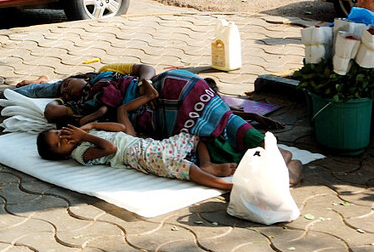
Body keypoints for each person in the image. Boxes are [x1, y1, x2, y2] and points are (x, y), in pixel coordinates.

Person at [37, 79, 235, 191]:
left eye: (58, 133)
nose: (63, 137)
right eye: (59, 143)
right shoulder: (80, 153)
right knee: (183, 168)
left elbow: (121, 129)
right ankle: (224, 186)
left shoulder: (85, 132)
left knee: (196, 133)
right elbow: (111, 148)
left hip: (136, 141)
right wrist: (85, 137)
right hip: (140, 156)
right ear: (63, 155)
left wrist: (93, 125)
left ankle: (206, 163)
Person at [0, 63, 156, 112]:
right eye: (65, 86)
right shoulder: (105, 72)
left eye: (66, 86)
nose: (65, 90)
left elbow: (147, 69)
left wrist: (143, 84)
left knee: (44, 88)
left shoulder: (107, 73)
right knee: (37, 90)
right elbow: (147, 69)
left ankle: (42, 79)